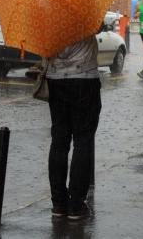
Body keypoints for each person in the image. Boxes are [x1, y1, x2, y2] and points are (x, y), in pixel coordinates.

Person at [46, 35, 102, 221]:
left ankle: (59, 204)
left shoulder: (48, 17)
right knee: (83, 141)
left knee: (59, 141)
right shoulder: (86, 12)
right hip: (84, 79)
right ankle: (76, 205)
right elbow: (99, 26)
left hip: (56, 79)